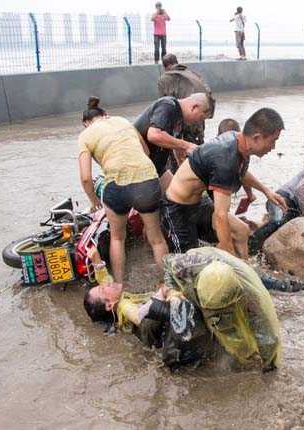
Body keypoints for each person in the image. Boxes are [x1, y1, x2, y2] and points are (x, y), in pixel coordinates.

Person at [83, 246, 284, 371]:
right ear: (109, 305)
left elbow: (107, 280)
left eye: (103, 285)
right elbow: (139, 316)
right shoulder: (124, 306)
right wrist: (163, 294)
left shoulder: (117, 298)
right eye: (103, 289)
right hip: (153, 322)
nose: (108, 284)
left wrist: (96, 262)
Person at [161, 108, 287, 259]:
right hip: (177, 210)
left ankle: (244, 271)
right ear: (257, 137)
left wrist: (266, 190)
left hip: (199, 203)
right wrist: (230, 253)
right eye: (273, 141)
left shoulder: (238, 142)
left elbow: (241, 173)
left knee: (241, 230)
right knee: (186, 266)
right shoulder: (225, 159)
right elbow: (220, 216)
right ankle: (236, 267)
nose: (273, 147)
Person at [78, 97, 169, 283]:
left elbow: (86, 178)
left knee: (117, 238)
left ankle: (119, 285)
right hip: (146, 181)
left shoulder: (85, 136)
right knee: (157, 238)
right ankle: (170, 285)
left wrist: (95, 201)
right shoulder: (122, 121)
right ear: (105, 115)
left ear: (86, 123)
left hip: (116, 186)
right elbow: (146, 152)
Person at [133, 93, 215, 192]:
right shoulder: (167, 105)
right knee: (151, 203)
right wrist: (187, 145)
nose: (199, 122)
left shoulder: (180, 119)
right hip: (137, 165)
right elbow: (154, 135)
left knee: (179, 194)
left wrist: (187, 173)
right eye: (201, 118)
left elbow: (177, 147)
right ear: (194, 107)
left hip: (156, 166)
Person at [158, 54, 213, 171]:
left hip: (181, 124)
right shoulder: (194, 74)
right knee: (197, 155)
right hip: (199, 121)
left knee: (175, 159)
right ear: (177, 62)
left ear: (165, 67)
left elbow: (164, 106)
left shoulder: (165, 79)